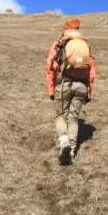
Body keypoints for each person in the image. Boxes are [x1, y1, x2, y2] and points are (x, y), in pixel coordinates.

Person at [45, 18, 96, 163]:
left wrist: (50, 89)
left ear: (65, 28)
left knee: (61, 115)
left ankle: (64, 142)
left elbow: (50, 67)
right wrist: (89, 92)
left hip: (64, 85)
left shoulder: (60, 43)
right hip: (81, 87)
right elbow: (91, 72)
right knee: (73, 118)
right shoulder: (85, 44)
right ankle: (72, 151)